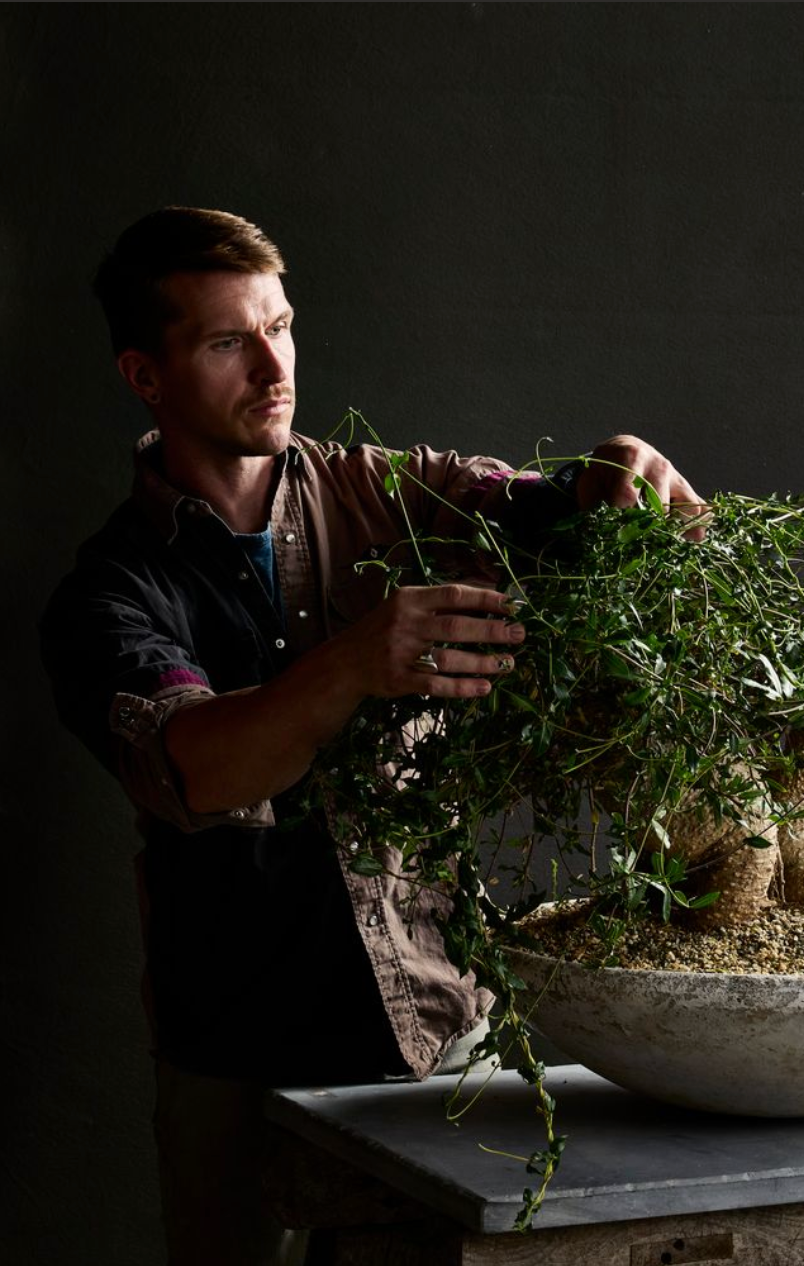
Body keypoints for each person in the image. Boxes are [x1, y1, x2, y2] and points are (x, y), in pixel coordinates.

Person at [39, 206, 706, 1266]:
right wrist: (353, 661)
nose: (274, 366)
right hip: (236, 1053)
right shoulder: (111, 593)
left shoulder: (386, 493)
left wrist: (606, 478)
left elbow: (529, 505)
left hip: (438, 1033)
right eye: (227, 342)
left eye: (282, 325)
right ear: (145, 375)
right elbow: (193, 766)